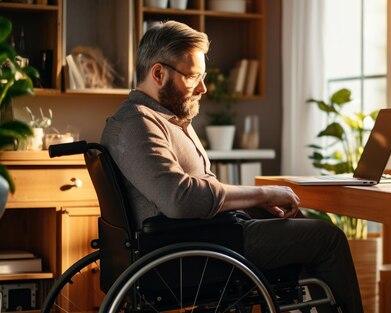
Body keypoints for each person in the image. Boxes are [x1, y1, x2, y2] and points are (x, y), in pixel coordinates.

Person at [100, 21, 364, 312]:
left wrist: (257, 208)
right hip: (195, 248)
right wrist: (263, 195)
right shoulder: (137, 123)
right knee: (327, 238)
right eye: (193, 77)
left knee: (297, 228)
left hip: (208, 236)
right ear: (158, 73)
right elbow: (180, 199)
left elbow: (200, 190)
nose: (203, 87)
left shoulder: (164, 120)